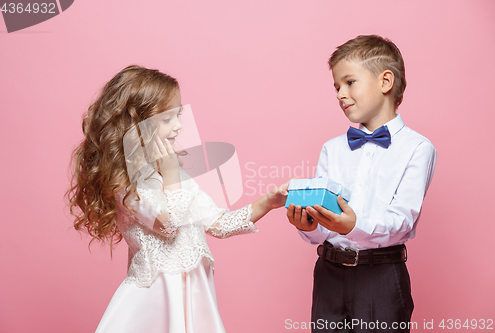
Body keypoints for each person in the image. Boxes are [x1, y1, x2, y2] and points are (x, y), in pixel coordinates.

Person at [66, 65, 288, 333]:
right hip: (158, 296)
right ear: (137, 124)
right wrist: (170, 174)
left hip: (193, 292)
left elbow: (218, 224)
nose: (179, 126)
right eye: (167, 118)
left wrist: (268, 202)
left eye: (178, 115)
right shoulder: (126, 184)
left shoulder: (174, 175)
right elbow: (168, 227)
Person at [287, 35, 436, 332]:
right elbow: (324, 220)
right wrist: (310, 227)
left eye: (349, 82)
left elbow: (402, 219)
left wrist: (353, 226)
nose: (340, 94)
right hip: (329, 273)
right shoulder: (332, 148)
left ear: (385, 82)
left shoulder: (418, 148)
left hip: (380, 275)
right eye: (336, 86)